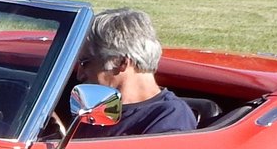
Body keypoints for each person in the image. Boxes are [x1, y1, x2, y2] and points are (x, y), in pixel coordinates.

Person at [75, 8, 197, 136]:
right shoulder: (99, 108)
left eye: (85, 63)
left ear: (121, 62)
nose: (79, 75)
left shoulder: (170, 118)